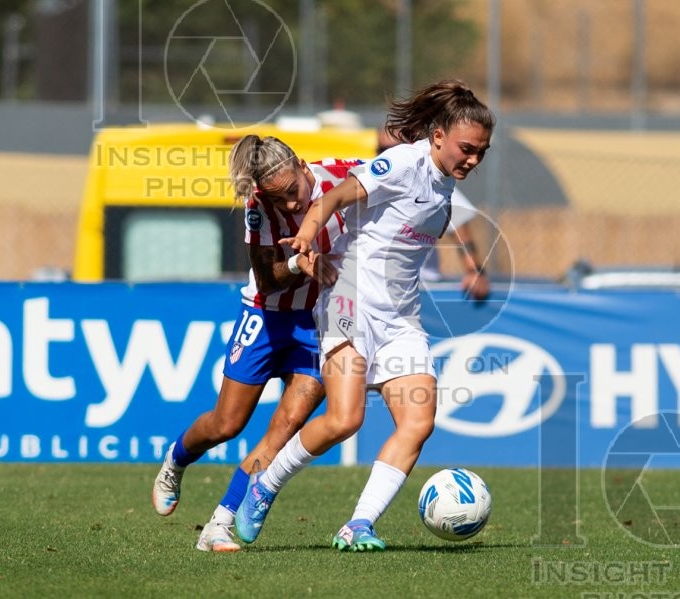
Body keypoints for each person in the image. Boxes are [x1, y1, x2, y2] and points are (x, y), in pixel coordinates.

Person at [233, 79, 495, 552]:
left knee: (418, 423)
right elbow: (331, 198)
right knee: (344, 419)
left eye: (482, 151)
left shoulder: (445, 187)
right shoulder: (403, 163)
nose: (474, 159)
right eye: (467, 149)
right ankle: (264, 486)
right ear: (438, 137)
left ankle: (358, 525)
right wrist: (306, 236)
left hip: (401, 318)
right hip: (348, 301)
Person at [152, 134, 360, 552]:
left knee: (284, 428)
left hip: (317, 323)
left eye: (292, 192)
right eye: (278, 198)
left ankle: (220, 523)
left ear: (301, 165)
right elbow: (267, 280)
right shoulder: (258, 206)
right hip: (264, 317)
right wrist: (298, 264)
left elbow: (396, 174)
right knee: (226, 424)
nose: (290, 204)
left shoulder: (344, 174)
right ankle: (176, 458)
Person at [378, 126, 490, 300]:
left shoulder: (432, 183)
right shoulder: (371, 180)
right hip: (375, 285)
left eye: (392, 148)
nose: (386, 154)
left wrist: (474, 271)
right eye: (381, 149)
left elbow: (459, 224)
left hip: (420, 287)